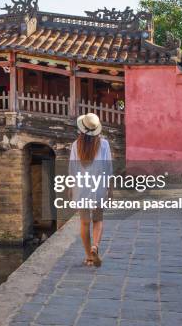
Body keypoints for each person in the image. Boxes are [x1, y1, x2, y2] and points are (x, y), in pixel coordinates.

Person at [68, 113, 113, 267]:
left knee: (84, 223)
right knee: (98, 220)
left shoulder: (75, 145)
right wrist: (110, 188)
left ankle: (88, 256)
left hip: (81, 188)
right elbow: (108, 168)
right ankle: (95, 247)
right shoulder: (104, 144)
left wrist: (70, 188)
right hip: (99, 186)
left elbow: (73, 169)